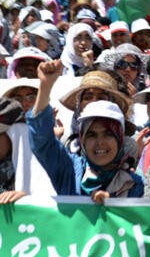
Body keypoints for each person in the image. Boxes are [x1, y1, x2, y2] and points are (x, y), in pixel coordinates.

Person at [29, 66, 143, 202]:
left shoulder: (135, 183)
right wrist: (45, 86)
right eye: (91, 135)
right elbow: (41, 140)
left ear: (119, 138)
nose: (100, 142)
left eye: (108, 134)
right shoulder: (70, 170)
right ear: (82, 139)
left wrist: (114, 206)